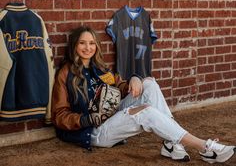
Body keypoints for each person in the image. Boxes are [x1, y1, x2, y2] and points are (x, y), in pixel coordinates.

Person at [51, 26, 236, 164]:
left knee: (149, 83)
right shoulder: (65, 74)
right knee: (145, 112)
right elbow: (59, 116)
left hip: (112, 117)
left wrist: (134, 79)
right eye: (82, 43)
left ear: (96, 46)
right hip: (93, 131)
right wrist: (86, 120)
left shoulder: (99, 68)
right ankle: (205, 147)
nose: (87, 47)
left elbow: (121, 86)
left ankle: (171, 143)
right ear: (74, 46)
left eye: (91, 43)